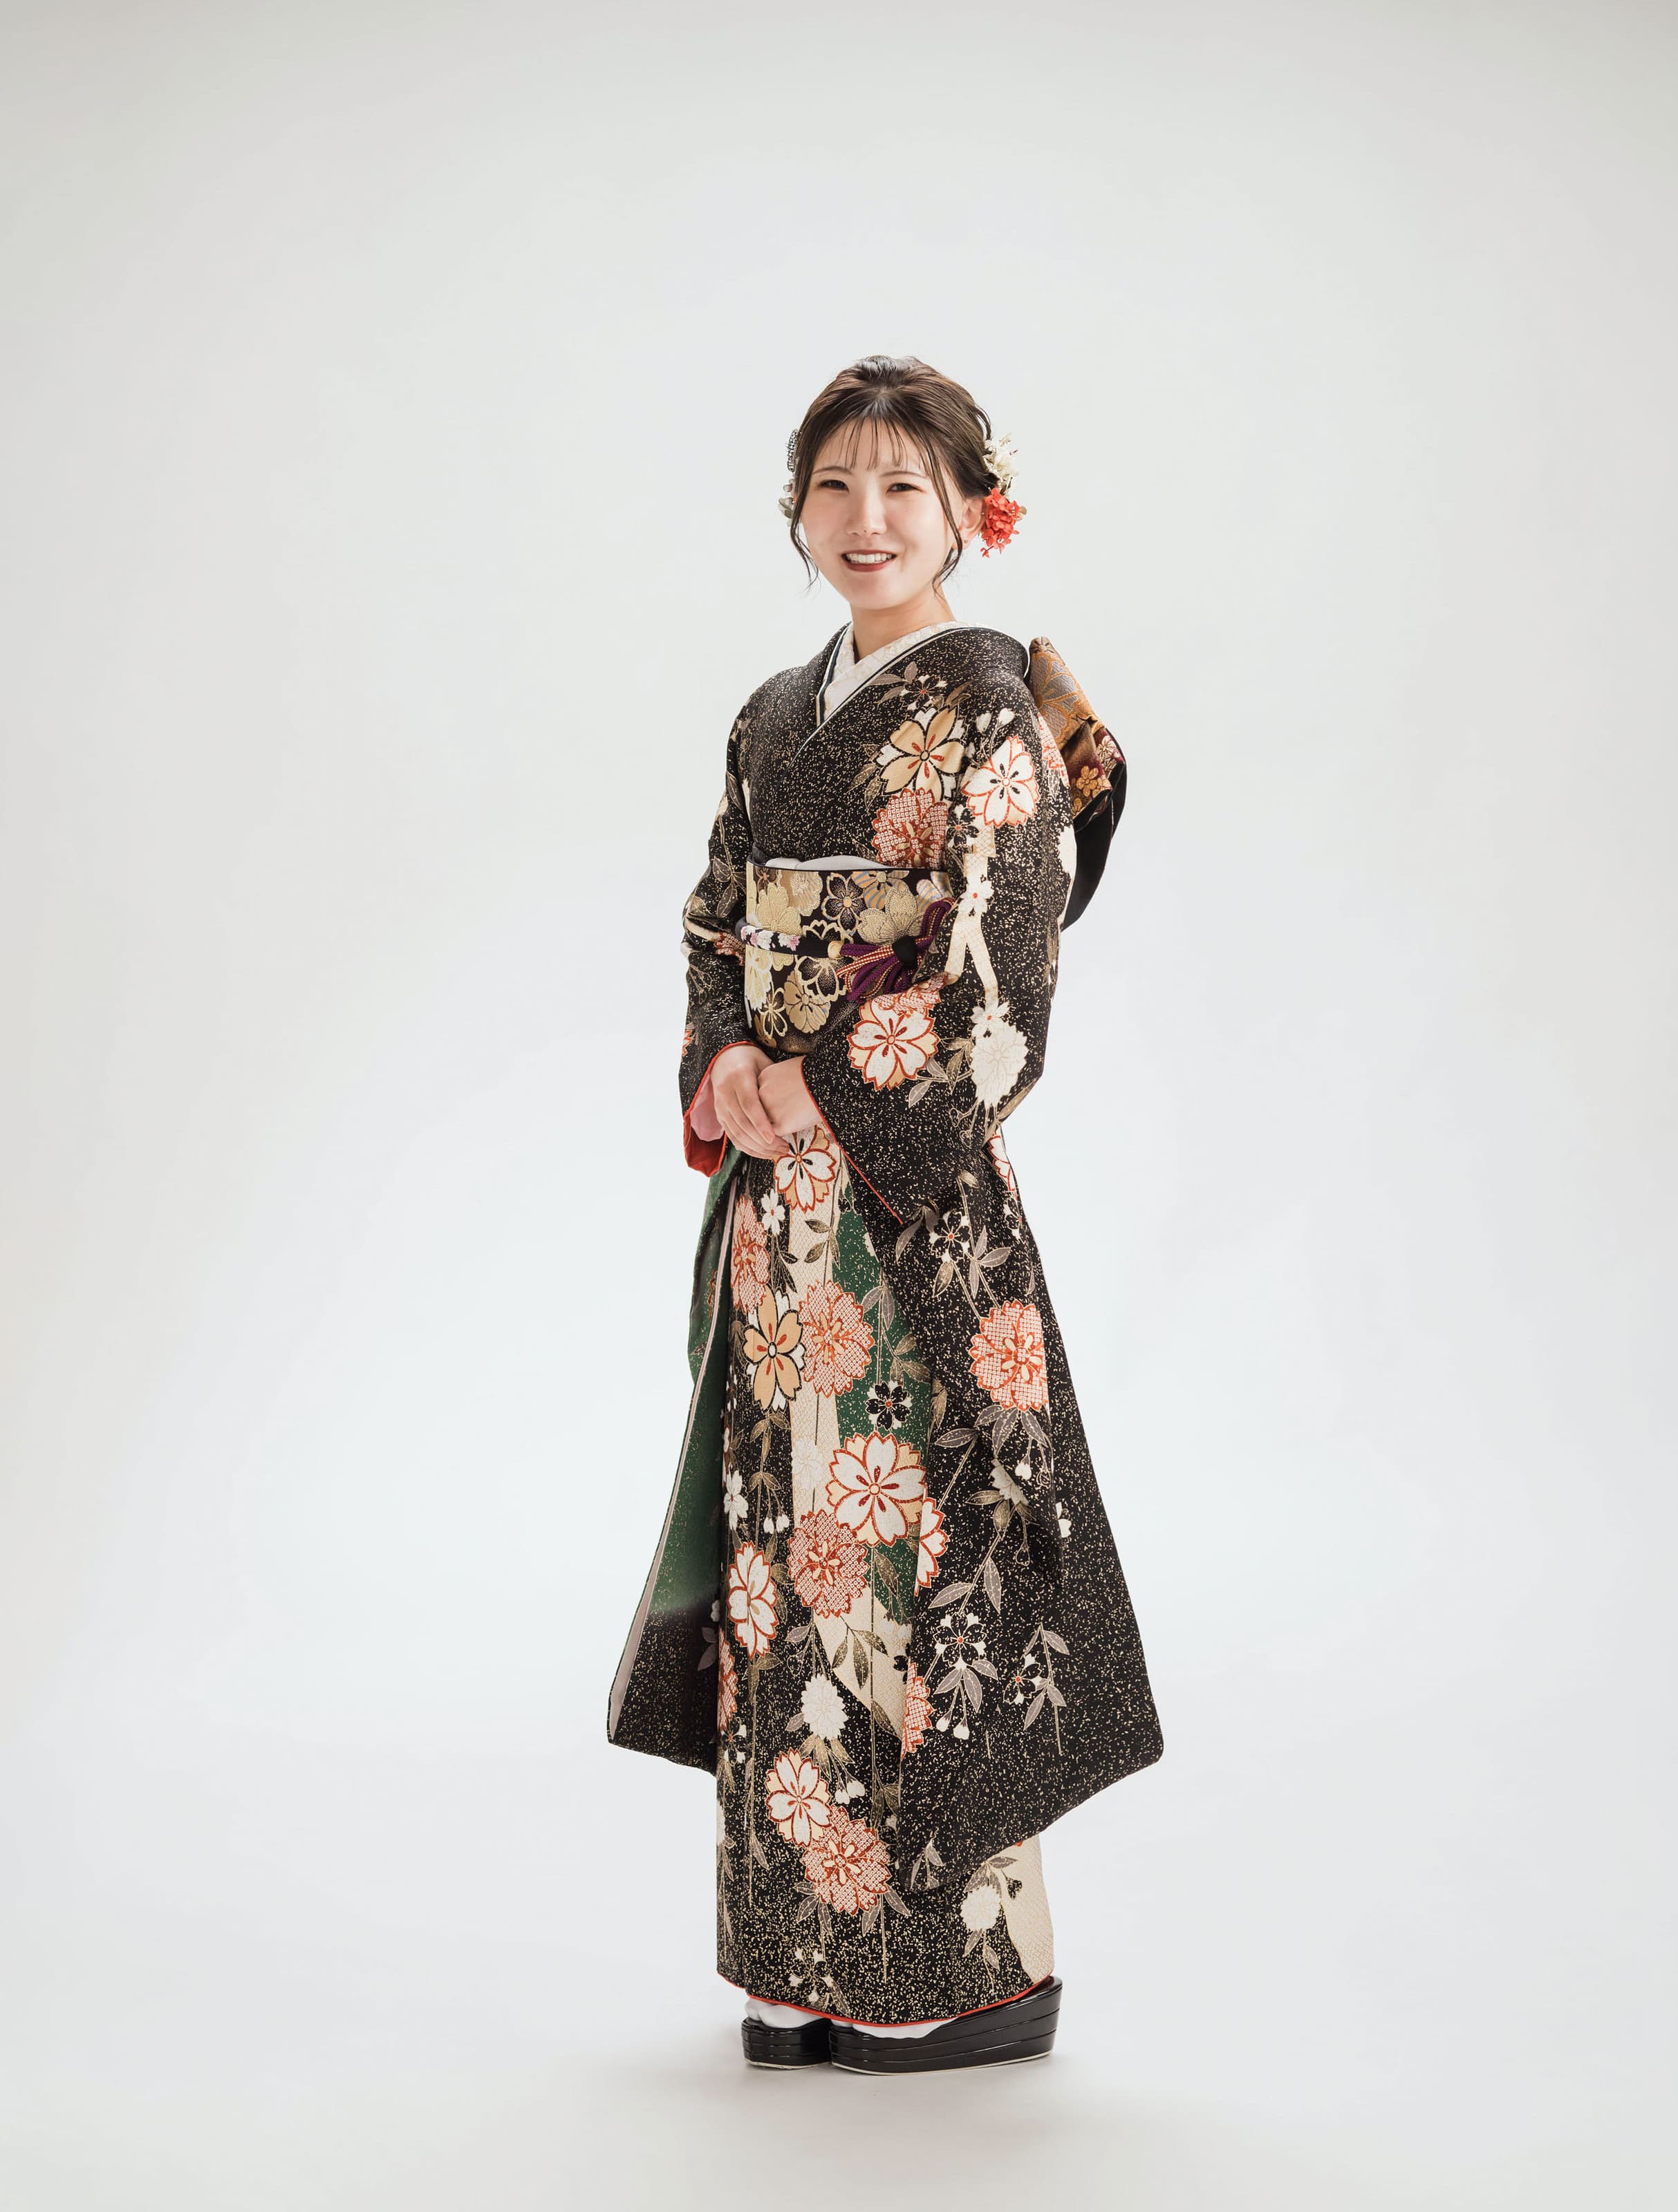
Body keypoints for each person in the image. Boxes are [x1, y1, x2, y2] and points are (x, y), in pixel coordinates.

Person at [608, 355, 1162, 2074]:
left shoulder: (986, 712)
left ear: (971, 512)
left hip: (911, 1214)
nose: (865, 520)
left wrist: (817, 1083)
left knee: (918, 1566)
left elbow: (998, 988)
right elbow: (718, 923)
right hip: (776, 1219)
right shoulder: (769, 718)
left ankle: (963, 1971)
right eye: (833, 487)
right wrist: (725, 1061)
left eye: (902, 487)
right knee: (781, 1565)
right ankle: (796, 1950)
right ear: (797, 512)